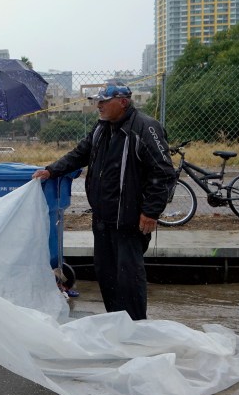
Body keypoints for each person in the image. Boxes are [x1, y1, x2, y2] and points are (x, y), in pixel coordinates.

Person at [32, 83, 176, 320]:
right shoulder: (101, 128)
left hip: (129, 221)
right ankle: (116, 323)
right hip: (102, 219)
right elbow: (80, 154)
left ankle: (136, 327)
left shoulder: (145, 128)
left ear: (123, 102)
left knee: (129, 277)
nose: (98, 105)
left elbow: (163, 173)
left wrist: (151, 212)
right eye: (97, 101)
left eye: (103, 101)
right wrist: (51, 170)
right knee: (107, 275)